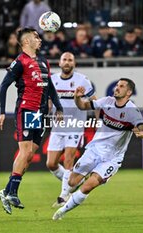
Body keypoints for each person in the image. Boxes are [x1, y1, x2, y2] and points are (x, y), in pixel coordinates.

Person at [52, 78, 143, 220]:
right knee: (72, 183)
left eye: (121, 86)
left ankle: (62, 211)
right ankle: (84, 175)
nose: (117, 88)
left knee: (88, 186)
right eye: (117, 85)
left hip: (112, 158)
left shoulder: (132, 111)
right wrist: (77, 97)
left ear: (129, 92)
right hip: (94, 150)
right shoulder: (106, 102)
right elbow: (82, 106)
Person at [0, 28, 63, 215]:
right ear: (26, 42)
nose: (40, 40)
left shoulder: (43, 62)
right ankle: (13, 193)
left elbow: (49, 85)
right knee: (25, 151)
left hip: (40, 112)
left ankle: (6, 191)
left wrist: (58, 106)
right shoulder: (20, 62)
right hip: (26, 108)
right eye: (36, 37)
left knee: (30, 154)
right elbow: (3, 86)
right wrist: (2, 112)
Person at [46, 52, 96, 207]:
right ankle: (74, 182)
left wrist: (100, 120)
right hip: (57, 126)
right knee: (51, 164)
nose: (67, 62)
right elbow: (48, 103)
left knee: (69, 160)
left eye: (70, 60)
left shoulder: (82, 80)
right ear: (60, 63)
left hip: (75, 125)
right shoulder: (52, 80)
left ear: (74, 63)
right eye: (64, 60)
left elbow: (95, 101)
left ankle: (63, 196)